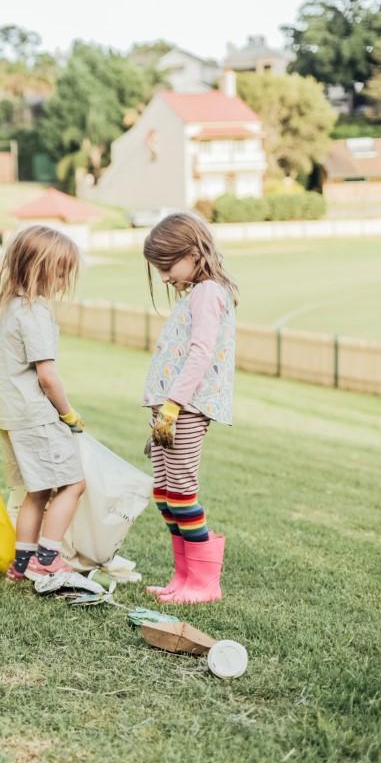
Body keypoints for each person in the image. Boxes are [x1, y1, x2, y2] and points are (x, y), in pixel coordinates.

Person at [141, 212, 237, 604]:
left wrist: (174, 405)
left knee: (181, 491)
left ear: (194, 252)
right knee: (164, 493)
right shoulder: (193, 294)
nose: (164, 276)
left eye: (167, 266)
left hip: (185, 408)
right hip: (169, 408)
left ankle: (204, 583)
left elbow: (200, 353)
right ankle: (183, 577)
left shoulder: (209, 292)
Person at [0, 225, 87, 582]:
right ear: (39, 269)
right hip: (37, 416)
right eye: (61, 271)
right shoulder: (35, 312)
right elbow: (47, 376)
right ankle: (47, 558)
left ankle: (21, 564)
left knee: (37, 491)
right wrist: (68, 412)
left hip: (14, 416)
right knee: (73, 483)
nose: (64, 279)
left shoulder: (11, 308)